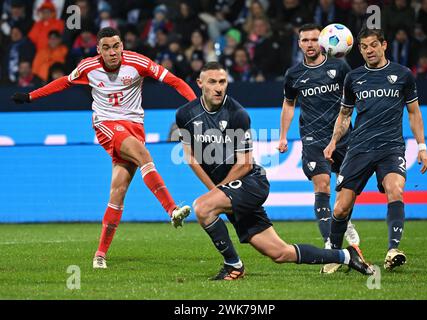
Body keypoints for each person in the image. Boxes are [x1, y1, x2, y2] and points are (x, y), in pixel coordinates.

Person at [11, 27, 196, 269]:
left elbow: (174, 81)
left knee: (117, 192)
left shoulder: (138, 62)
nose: (112, 52)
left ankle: (100, 254)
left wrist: (195, 106)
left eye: (116, 46)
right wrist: (31, 96)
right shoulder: (89, 67)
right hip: (107, 126)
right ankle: (171, 209)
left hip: (134, 128)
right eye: (106, 47)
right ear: (99, 50)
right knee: (143, 155)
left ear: (122, 46)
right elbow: (63, 83)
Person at [175, 61, 374, 280]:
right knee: (280, 253)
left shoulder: (237, 114)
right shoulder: (185, 114)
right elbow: (191, 157)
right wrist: (217, 191)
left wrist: (216, 193)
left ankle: (233, 266)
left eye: (222, 82)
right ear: (199, 83)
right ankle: (346, 255)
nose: (218, 87)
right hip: (229, 191)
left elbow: (245, 164)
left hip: (251, 183)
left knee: (202, 207)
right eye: (212, 82)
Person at [323, 28, 427, 272]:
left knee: (396, 189)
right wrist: (332, 142)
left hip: (391, 147)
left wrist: (421, 146)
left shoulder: (403, 75)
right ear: (359, 49)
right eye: (364, 47)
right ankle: (336, 256)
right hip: (359, 148)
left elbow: (414, 113)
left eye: (373, 45)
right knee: (341, 207)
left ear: (384, 45)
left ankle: (393, 250)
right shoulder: (353, 78)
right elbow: (345, 115)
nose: (369, 50)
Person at [278, 23, 360, 274]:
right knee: (322, 184)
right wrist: (283, 136)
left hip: (343, 136)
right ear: (299, 43)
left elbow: (351, 101)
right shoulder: (294, 74)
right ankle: (330, 247)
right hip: (313, 138)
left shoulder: (339, 67)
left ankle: (342, 221)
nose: (310, 44)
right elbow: (289, 105)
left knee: (346, 191)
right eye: (305, 40)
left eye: (314, 39)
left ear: (322, 42)